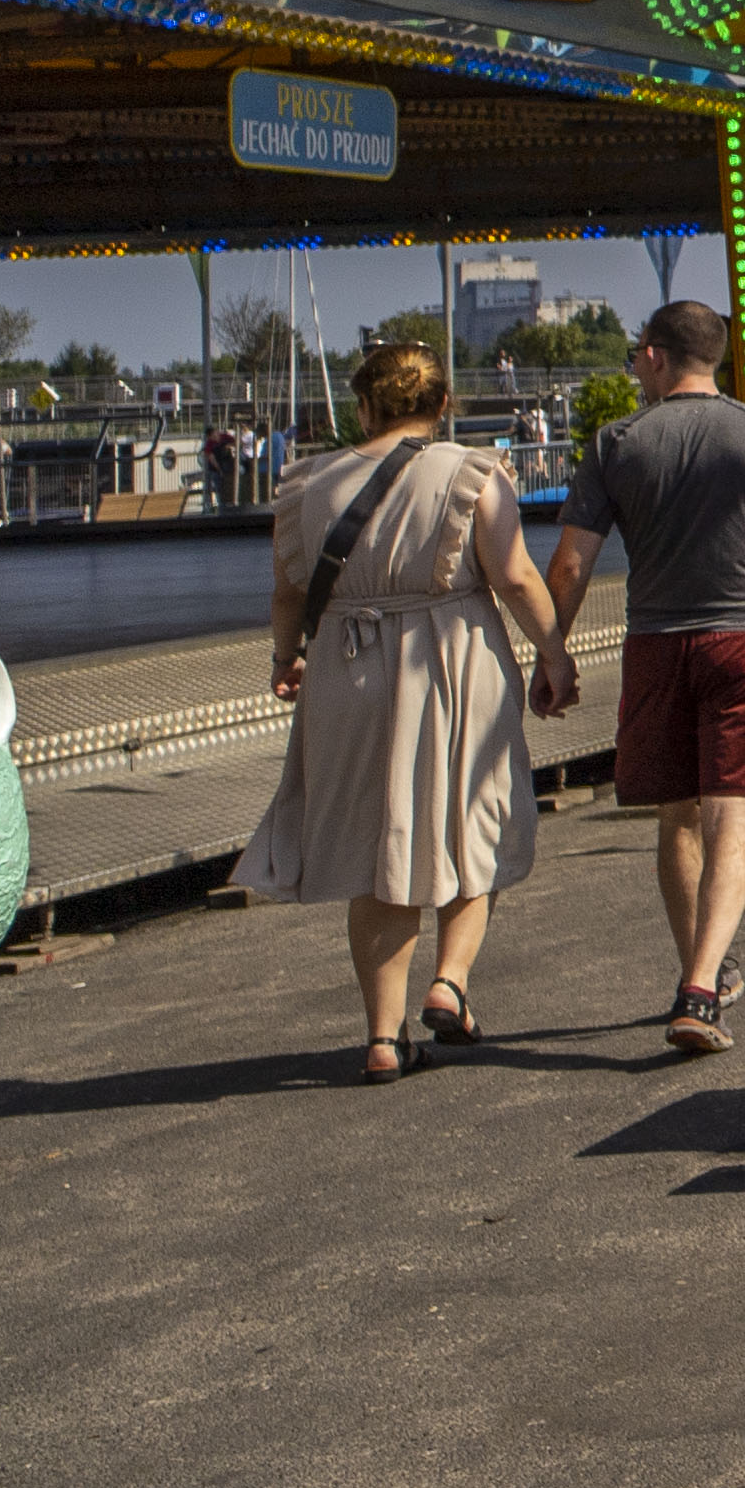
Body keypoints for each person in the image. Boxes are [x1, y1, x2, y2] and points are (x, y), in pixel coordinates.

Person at [241, 336, 556, 1082]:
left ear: (362, 406)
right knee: (471, 820)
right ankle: (449, 981)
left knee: (377, 853)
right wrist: (556, 651)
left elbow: (289, 592)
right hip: (452, 657)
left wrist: (286, 658)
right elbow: (512, 575)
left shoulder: (304, 484)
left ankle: (384, 1038)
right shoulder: (474, 472)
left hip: (345, 669)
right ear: (442, 404)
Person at [531, 300, 745, 1061]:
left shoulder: (617, 443)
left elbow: (569, 565)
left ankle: (699, 970)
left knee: (678, 814)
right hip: (743, 642)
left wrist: (553, 652)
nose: (635, 369)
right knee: (735, 809)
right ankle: (703, 984)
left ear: (656, 356)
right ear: (719, 358)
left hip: (655, 644)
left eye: (637, 357)